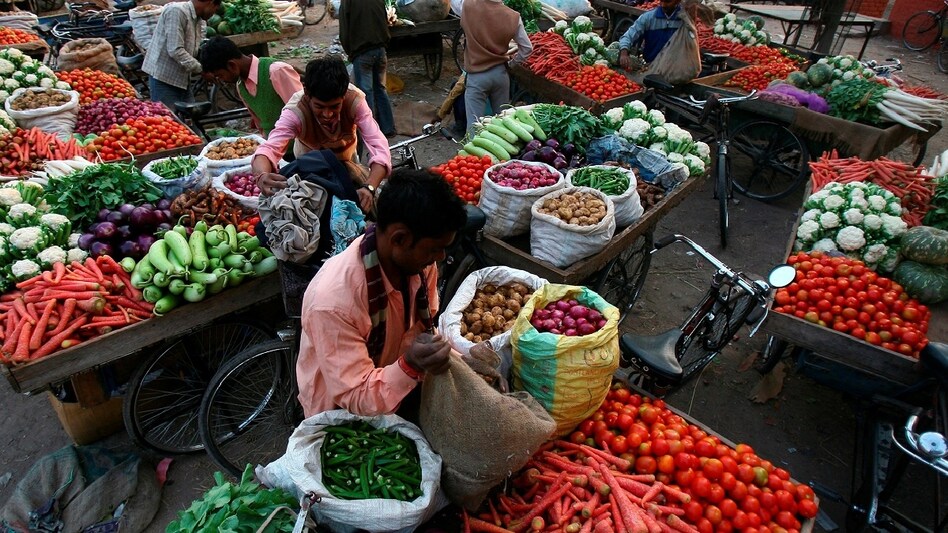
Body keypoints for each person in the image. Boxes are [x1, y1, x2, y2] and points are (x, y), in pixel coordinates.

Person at [295, 168, 467, 418]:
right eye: (434, 249)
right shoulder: (333, 302)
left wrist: (465, 360)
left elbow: (422, 329)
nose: (440, 258)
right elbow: (355, 394)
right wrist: (410, 364)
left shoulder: (419, 265)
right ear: (399, 238)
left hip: (393, 387)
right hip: (341, 413)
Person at [251, 57, 392, 214]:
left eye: (335, 106)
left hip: (348, 164)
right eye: (319, 106)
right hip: (311, 173)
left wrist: (370, 187)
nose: (327, 114)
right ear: (307, 94)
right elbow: (269, 148)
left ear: (344, 95)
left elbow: (378, 145)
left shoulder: (355, 101)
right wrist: (262, 175)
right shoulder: (295, 112)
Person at [452, 0, 533, 134]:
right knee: (502, 125)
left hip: (476, 76)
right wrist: (511, 64)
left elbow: (454, 4)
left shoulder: (468, 6)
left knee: (474, 126)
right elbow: (527, 48)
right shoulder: (513, 16)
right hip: (501, 74)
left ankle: (474, 155)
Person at [197, 37, 303, 137]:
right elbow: (261, 124)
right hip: (274, 149)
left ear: (232, 65)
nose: (221, 80)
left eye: (220, 76)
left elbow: (303, 113)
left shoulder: (276, 71)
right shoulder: (241, 86)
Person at [142, 0, 221, 111]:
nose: (213, 14)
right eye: (215, 10)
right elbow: (175, 50)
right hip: (164, 78)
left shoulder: (199, 19)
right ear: (211, 3)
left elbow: (194, 47)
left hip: (182, 79)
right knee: (169, 120)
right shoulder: (177, 11)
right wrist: (202, 70)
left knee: (188, 120)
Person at [339, 0, 396, 137]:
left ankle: (371, 132)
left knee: (366, 93)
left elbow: (344, 31)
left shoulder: (348, 2)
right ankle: (388, 128)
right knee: (380, 89)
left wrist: (350, 52)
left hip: (363, 52)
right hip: (380, 50)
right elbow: (384, 20)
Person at [618, 0, 685, 67]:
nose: (663, 5)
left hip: (675, 67)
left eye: (668, 2)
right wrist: (624, 52)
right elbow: (628, 36)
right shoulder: (648, 18)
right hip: (650, 65)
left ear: (677, 1)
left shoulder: (684, 20)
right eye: (661, 1)